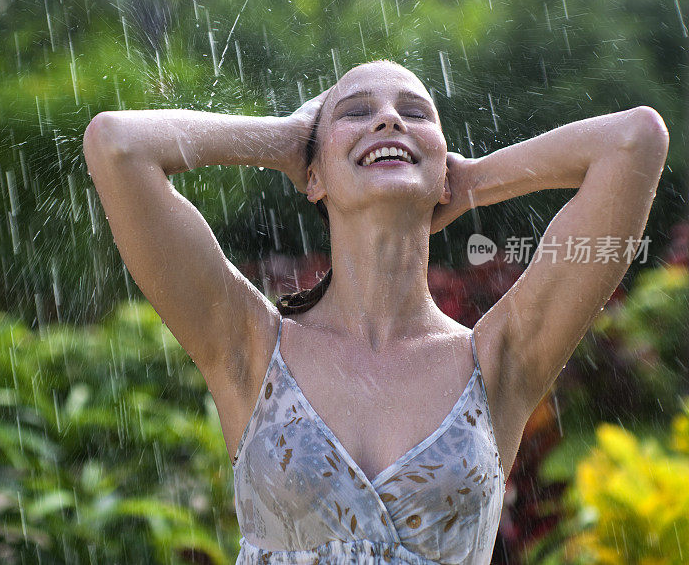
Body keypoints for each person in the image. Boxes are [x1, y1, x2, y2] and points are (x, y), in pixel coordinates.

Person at [82, 60, 669, 564]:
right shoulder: (248, 346)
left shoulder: (501, 360)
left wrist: (466, 183)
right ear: (312, 177)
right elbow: (118, 145)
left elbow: (635, 140)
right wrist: (282, 140)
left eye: (415, 113)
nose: (389, 119)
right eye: (356, 112)